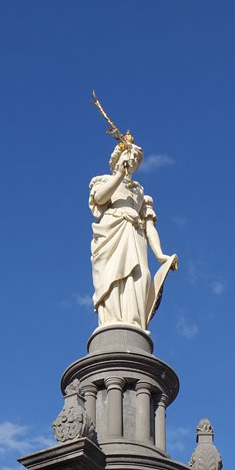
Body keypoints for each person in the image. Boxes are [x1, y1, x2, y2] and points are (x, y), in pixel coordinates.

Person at [89, 140, 178, 329]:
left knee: (142, 276)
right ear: (116, 160)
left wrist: (160, 255)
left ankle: (134, 323)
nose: (133, 161)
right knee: (113, 278)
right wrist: (120, 174)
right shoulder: (103, 181)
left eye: (136, 159)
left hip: (135, 235)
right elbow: (99, 198)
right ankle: (113, 322)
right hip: (112, 232)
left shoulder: (141, 194)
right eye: (129, 156)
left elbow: (149, 227)